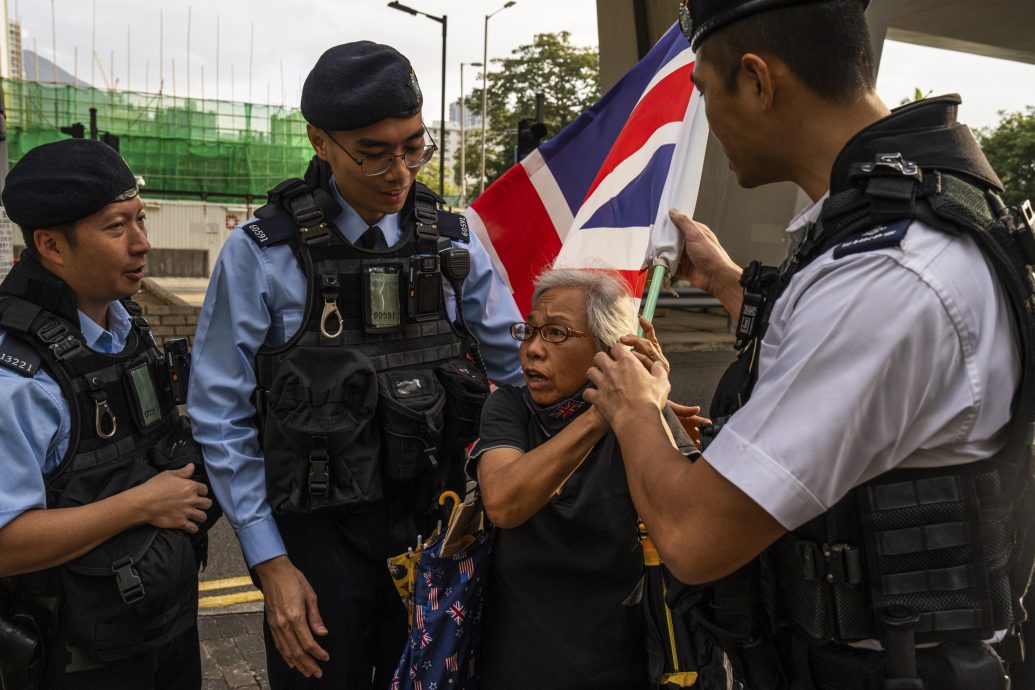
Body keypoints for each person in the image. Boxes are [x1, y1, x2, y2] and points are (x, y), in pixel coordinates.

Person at [585, 1, 1035, 689]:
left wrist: (635, 408)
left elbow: (693, 536)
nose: (704, 116)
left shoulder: (886, 274)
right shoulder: (908, 218)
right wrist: (730, 284)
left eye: (704, 91)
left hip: (882, 669)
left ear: (759, 81)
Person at [188, 41, 523, 688]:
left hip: (439, 527)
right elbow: (220, 417)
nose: (399, 171)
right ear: (319, 140)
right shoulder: (260, 254)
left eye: (414, 146)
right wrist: (271, 565)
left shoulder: (454, 240)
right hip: (319, 546)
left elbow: (516, 370)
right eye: (373, 153)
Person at [0, 138, 214, 690]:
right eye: (117, 228)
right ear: (50, 244)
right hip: (74, 659)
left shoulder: (124, 326)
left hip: (156, 630)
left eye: (141, 220)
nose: (143, 244)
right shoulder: (19, 380)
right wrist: (143, 504)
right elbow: (6, 542)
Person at [472, 268, 701, 690]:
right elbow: (503, 502)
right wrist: (602, 413)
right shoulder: (510, 408)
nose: (532, 350)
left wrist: (648, 413)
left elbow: (684, 529)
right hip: (517, 657)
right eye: (529, 331)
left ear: (609, 350)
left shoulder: (642, 417)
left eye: (556, 334)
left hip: (617, 659)